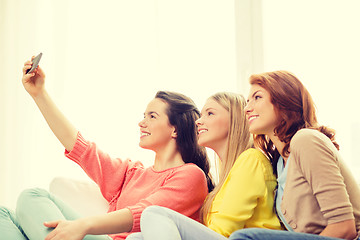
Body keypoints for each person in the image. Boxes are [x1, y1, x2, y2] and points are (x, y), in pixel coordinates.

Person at [0, 57, 215, 240]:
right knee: (3, 213)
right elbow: (81, 148)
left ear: (175, 129)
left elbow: (146, 213)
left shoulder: (191, 176)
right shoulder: (132, 174)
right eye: (143, 116)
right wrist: (39, 94)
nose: (142, 123)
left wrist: (83, 225)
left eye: (152, 116)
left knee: (33, 195)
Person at [126, 92, 282, 240]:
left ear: (234, 120)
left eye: (210, 114)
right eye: (201, 115)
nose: (198, 121)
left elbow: (224, 230)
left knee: (154, 214)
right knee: (136, 238)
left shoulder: (251, 160)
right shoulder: (227, 175)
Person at [228, 70, 360, 240]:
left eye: (257, 97)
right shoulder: (280, 163)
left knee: (245, 238)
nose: (247, 108)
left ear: (283, 100)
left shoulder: (306, 140)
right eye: (247, 101)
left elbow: (344, 228)